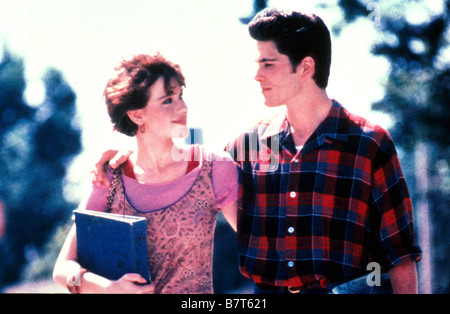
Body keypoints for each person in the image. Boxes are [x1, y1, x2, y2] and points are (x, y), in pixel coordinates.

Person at [92, 8, 422, 294]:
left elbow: (400, 255)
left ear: (305, 67)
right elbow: (183, 158)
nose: (257, 75)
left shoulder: (368, 143)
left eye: (268, 64)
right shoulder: (247, 144)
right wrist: (125, 148)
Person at [53, 53, 238, 294]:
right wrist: (108, 288)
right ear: (137, 114)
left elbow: (257, 245)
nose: (182, 107)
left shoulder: (214, 167)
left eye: (180, 95)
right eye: (167, 100)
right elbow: (62, 269)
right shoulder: (110, 177)